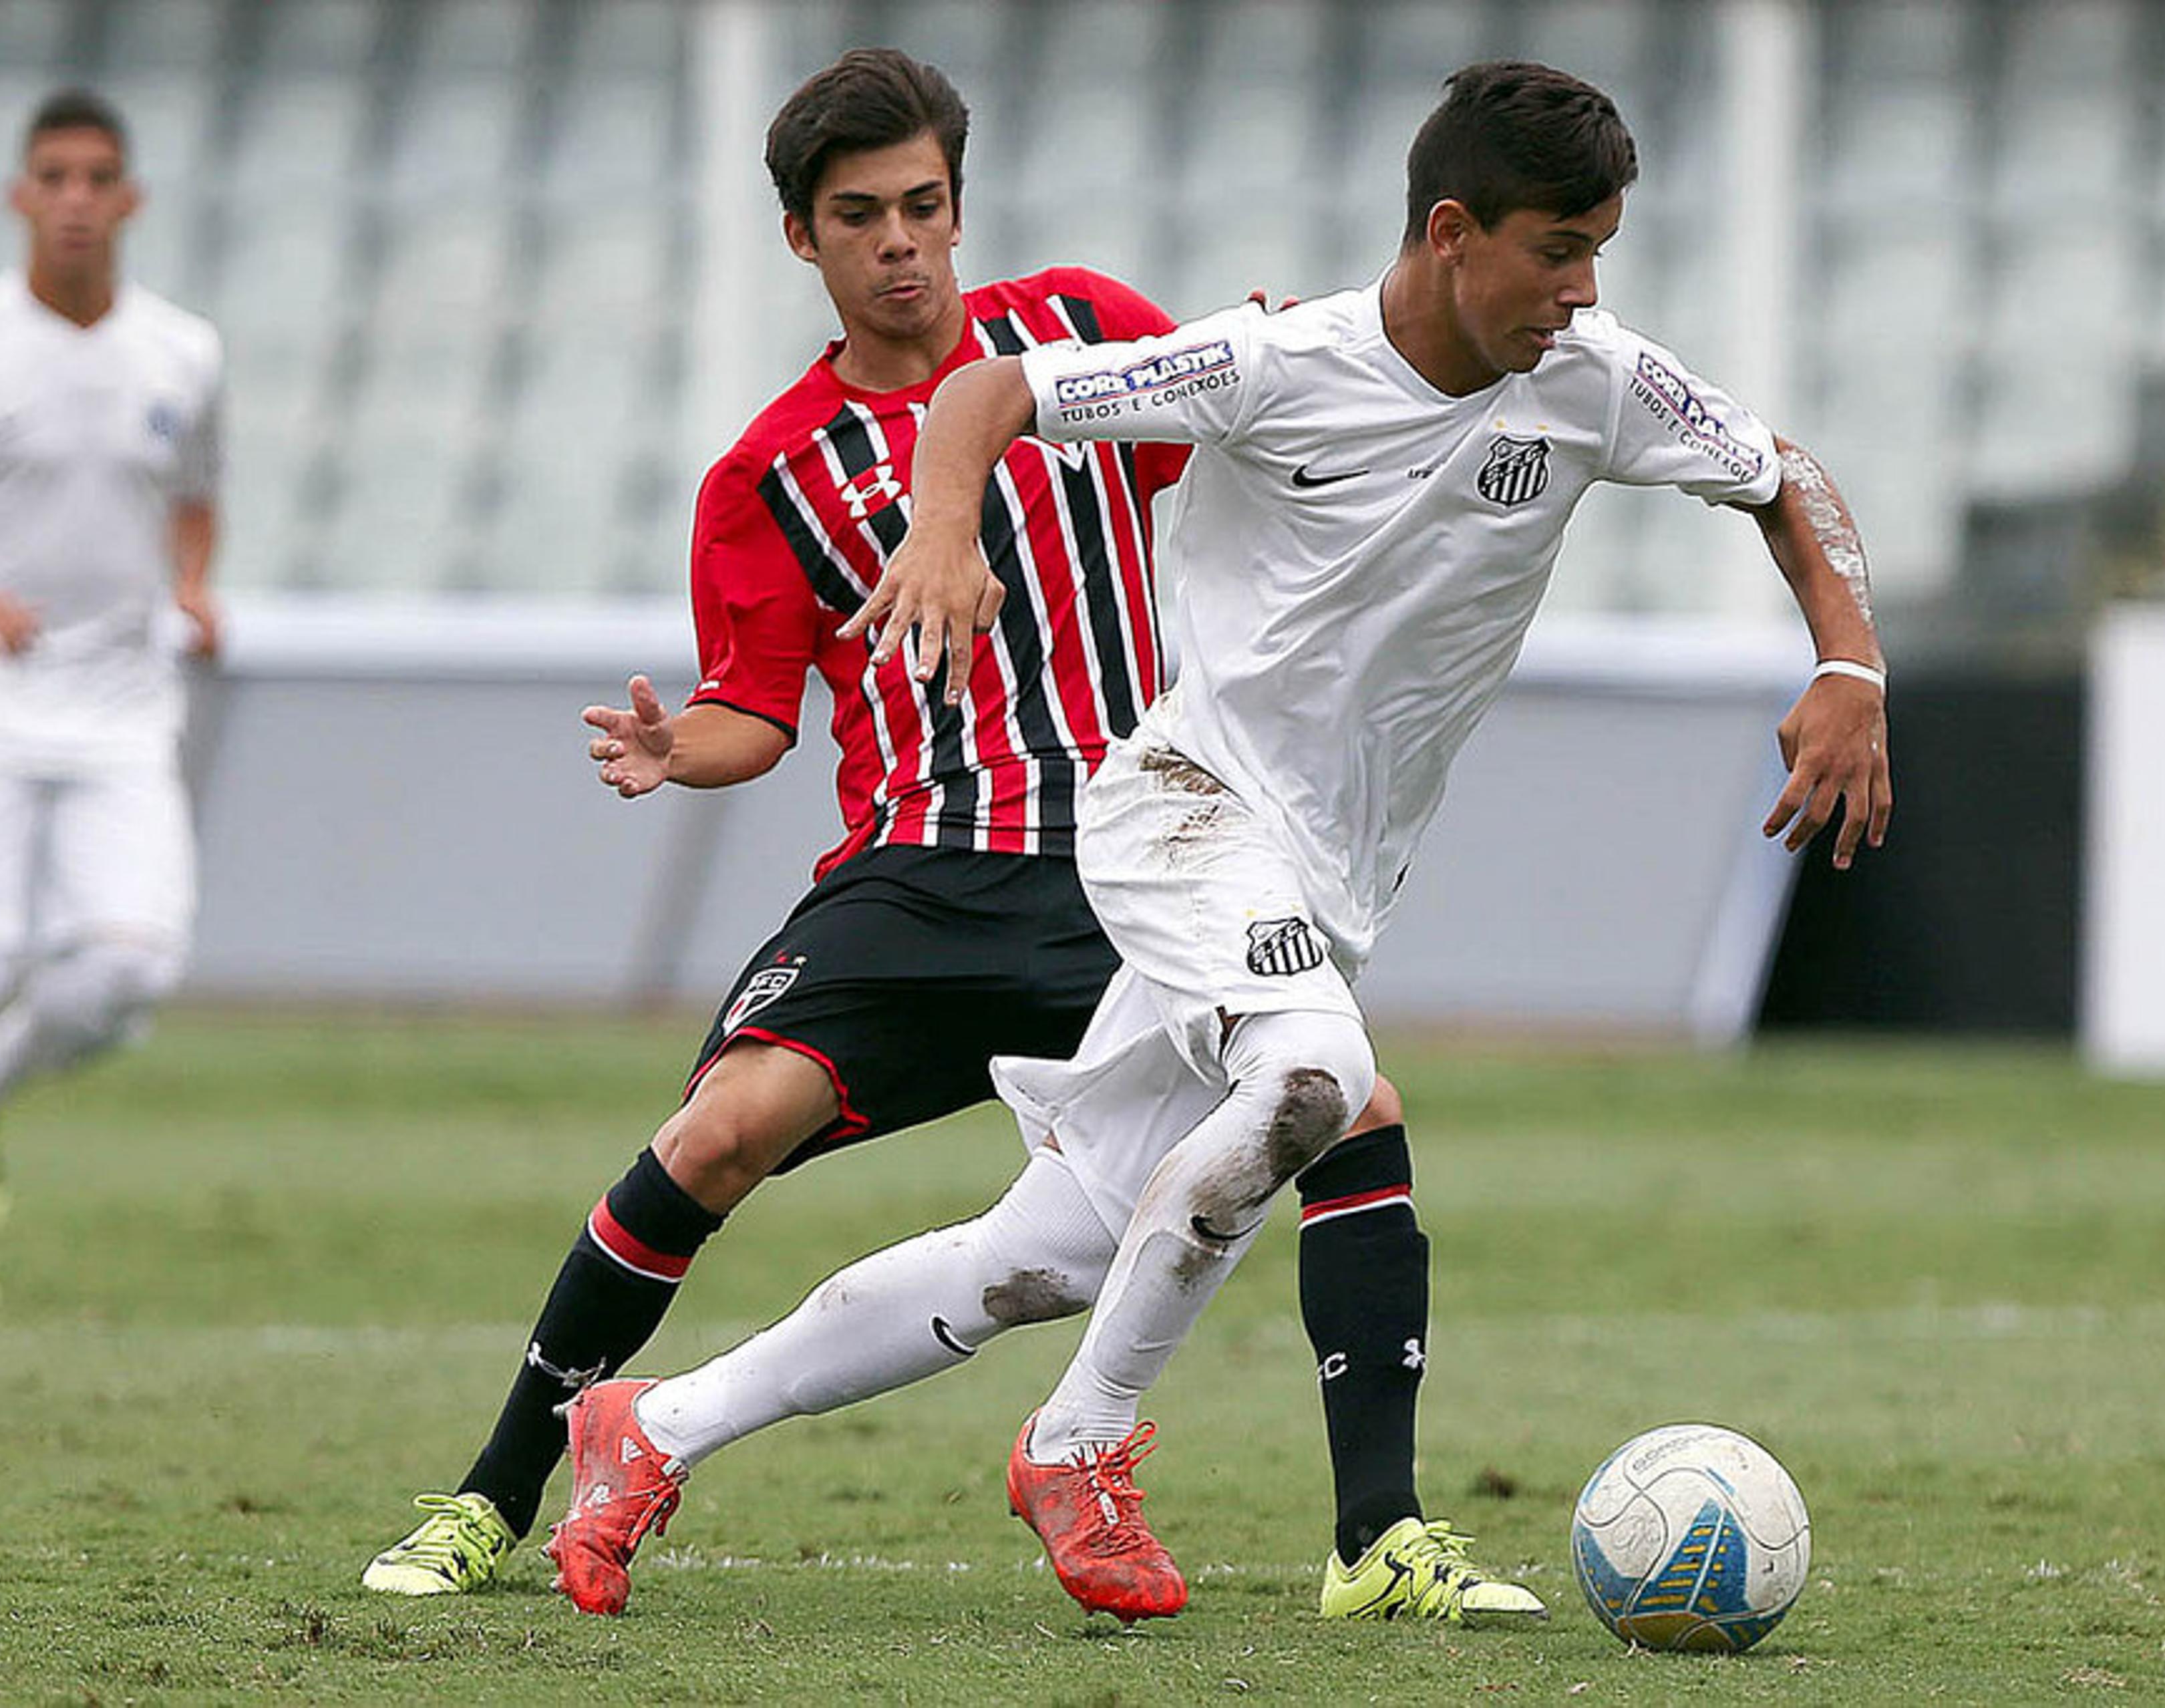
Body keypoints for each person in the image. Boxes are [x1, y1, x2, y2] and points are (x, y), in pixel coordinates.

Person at [554, 60, 1892, 1624]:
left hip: (1326, 874)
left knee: (1046, 1251)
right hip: (1183, 810)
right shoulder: (1275, 365)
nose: (1583, 290)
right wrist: (939, 532)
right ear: (1453, 232)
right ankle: (1082, 1443)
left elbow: (1779, 471)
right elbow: (988, 393)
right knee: (1318, 1080)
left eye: (1601, 250)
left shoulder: (1592, 377)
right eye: (1557, 250)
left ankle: (651, 1426)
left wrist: (1850, 665)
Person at [364, 48, 1534, 1629]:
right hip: (918, 874)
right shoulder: (767, 476)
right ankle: (490, 1492)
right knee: (717, 1135)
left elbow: (1245, 451)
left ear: (959, 207)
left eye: (925, 206)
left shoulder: (1077, 332)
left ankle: (1379, 1536)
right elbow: (755, 713)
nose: (902, 242)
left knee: (1347, 1107)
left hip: (1138, 862)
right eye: (861, 217)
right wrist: (674, 747)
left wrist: (1285, 363)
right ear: (805, 240)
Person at [0, 89, 223, 1315]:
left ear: (130, 200)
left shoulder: (182, 352)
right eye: (52, 176)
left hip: (124, 702)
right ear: (20, 194)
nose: (74, 199)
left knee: (125, 974)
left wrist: (195, 588)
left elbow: (195, 495)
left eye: (95, 177)